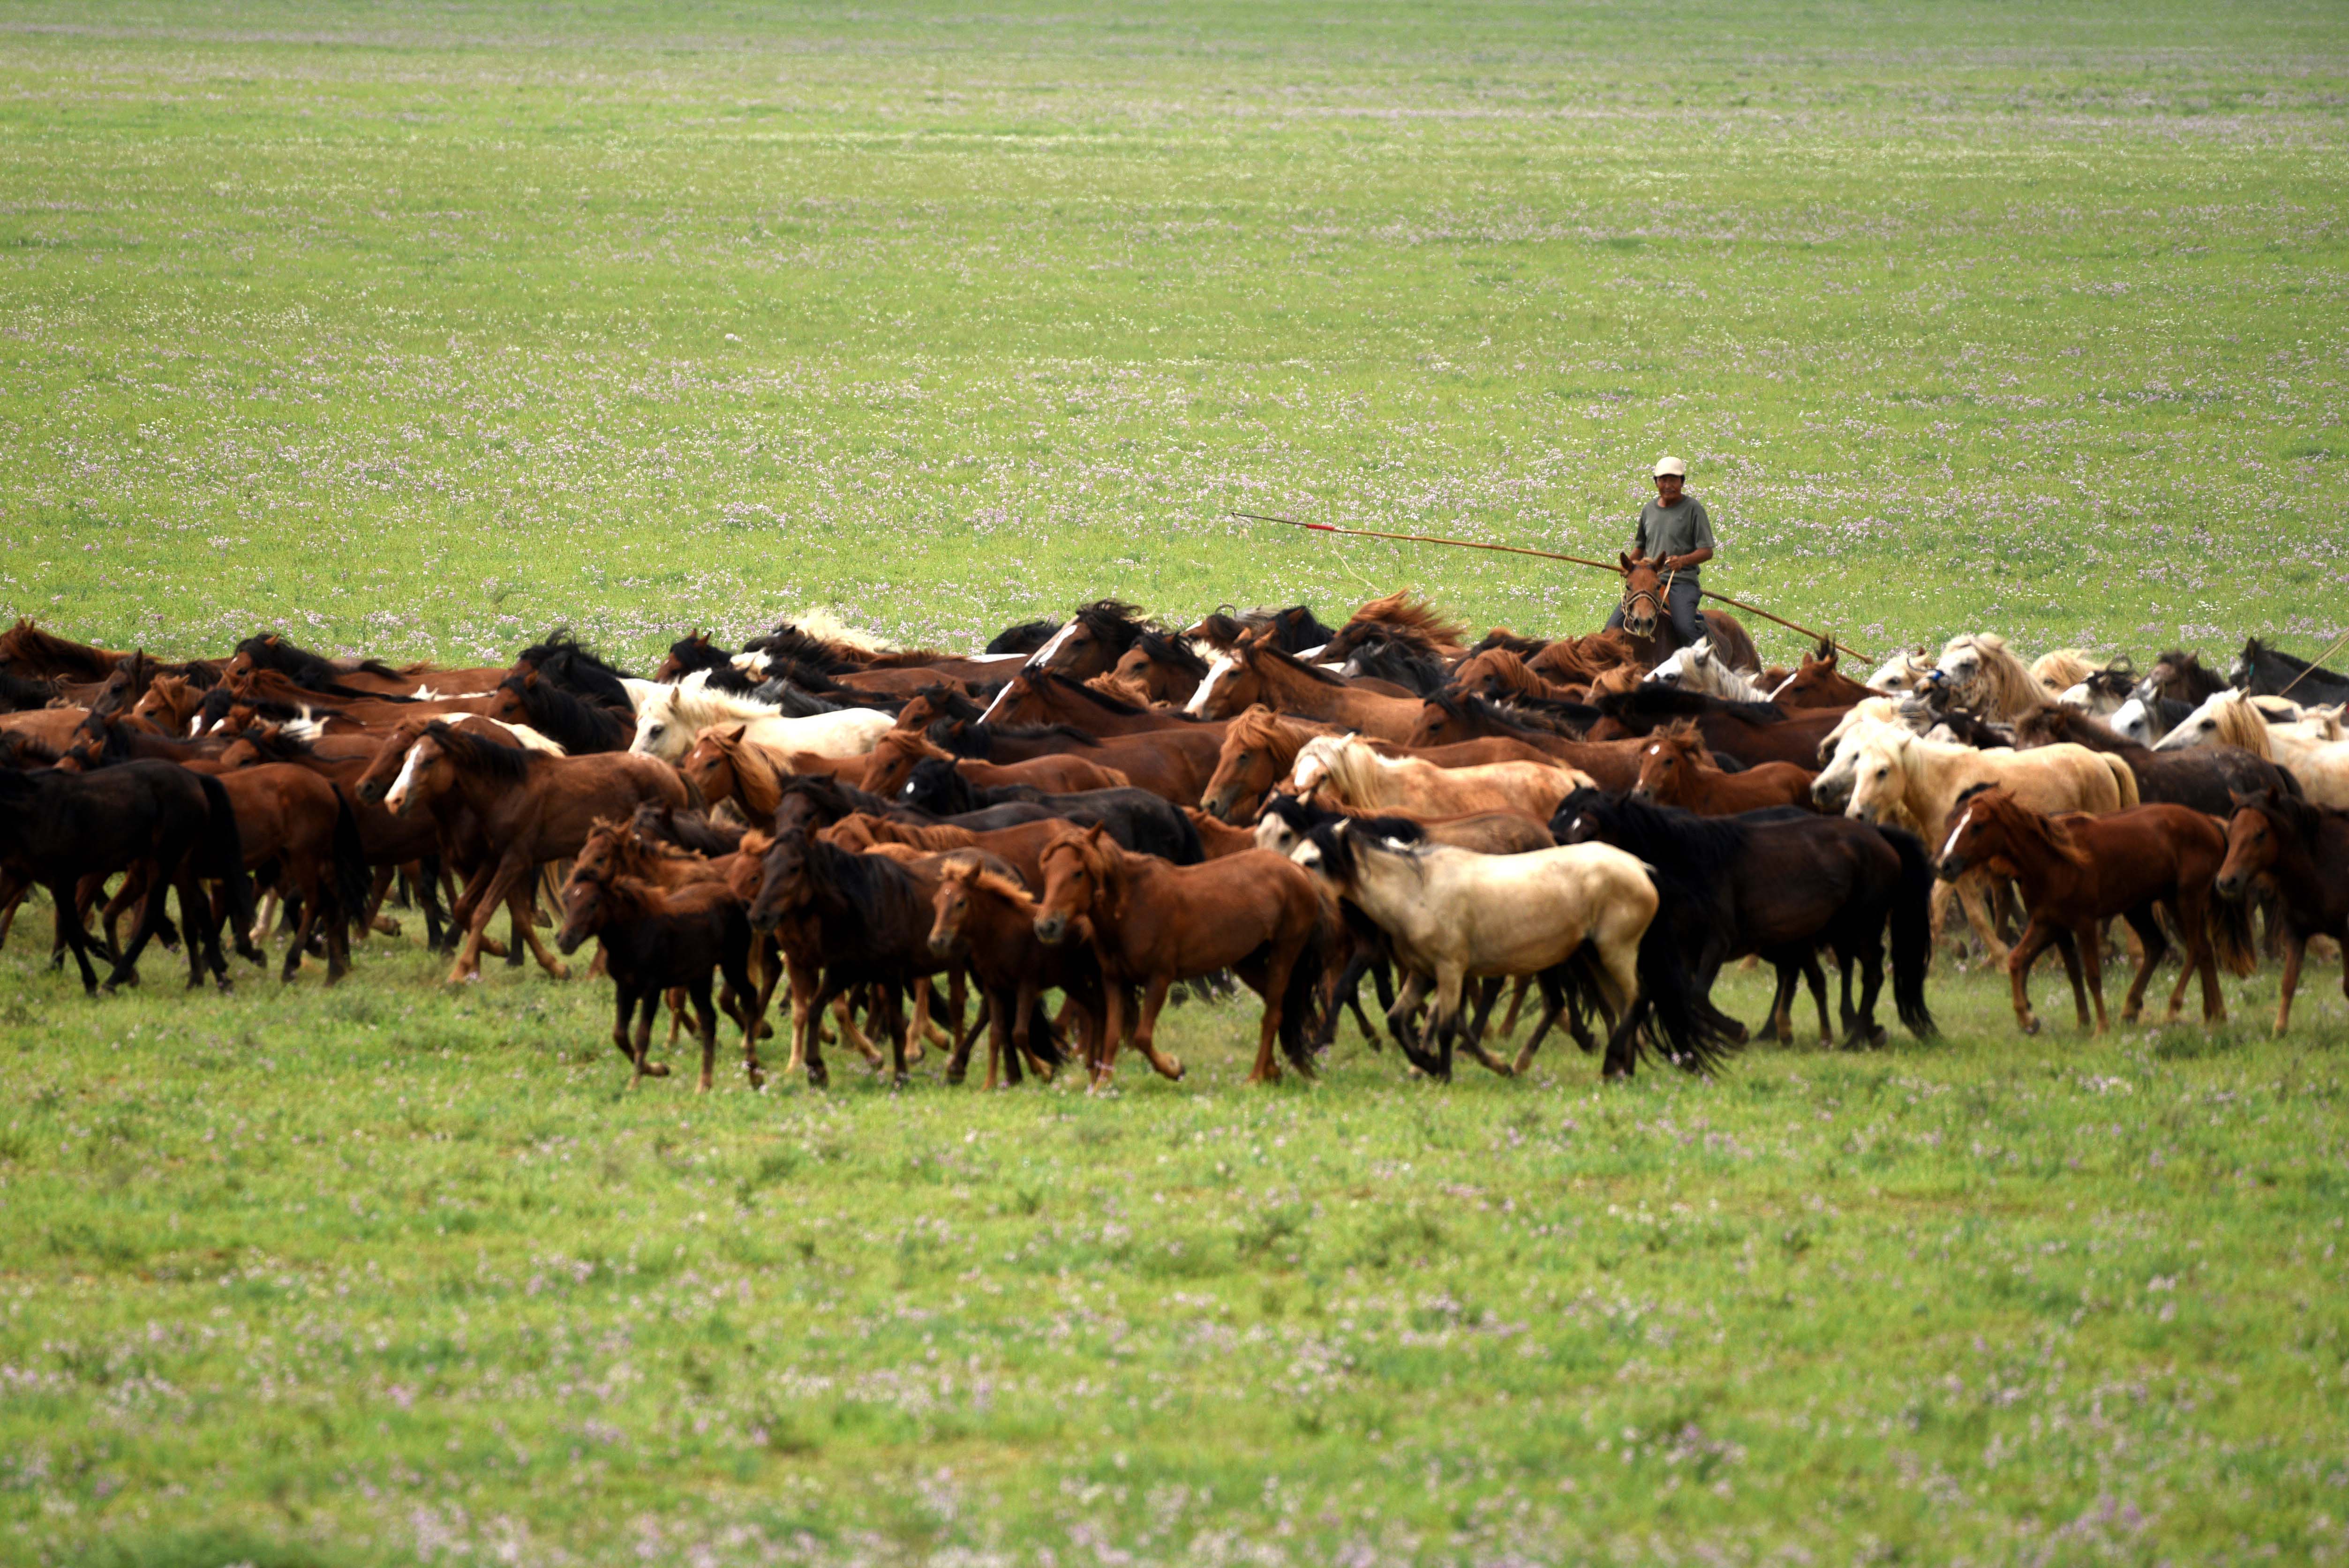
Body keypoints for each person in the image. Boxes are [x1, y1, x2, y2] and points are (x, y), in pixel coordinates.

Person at [1604, 455, 1715, 645]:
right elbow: (1640, 546)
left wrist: (1682, 561)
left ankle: (1706, 658)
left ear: (1682, 482)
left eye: (1673, 480)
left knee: (1685, 628)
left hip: (1680, 582)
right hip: (1646, 580)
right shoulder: (1649, 510)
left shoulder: (1693, 509)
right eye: (1663, 480)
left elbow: (1707, 551)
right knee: (1611, 630)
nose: (1668, 485)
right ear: (1656, 482)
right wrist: (1629, 566)